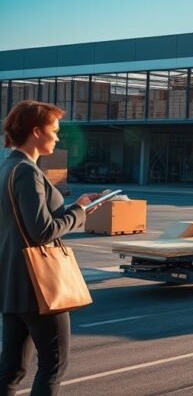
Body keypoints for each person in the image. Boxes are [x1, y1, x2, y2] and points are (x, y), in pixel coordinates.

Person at [1, 101, 99, 396]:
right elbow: (41, 231)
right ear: (35, 131)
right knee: (54, 365)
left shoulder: (7, 167)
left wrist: (75, 207)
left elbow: (26, 223)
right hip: (39, 285)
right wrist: (79, 213)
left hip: (11, 282)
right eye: (54, 130)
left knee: (12, 368)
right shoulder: (27, 172)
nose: (58, 137)